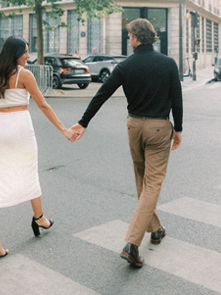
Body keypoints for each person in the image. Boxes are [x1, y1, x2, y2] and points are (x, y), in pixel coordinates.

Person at [70, 19, 183, 268]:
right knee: (152, 184)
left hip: (134, 127)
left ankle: (156, 229)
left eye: (129, 35)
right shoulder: (167, 63)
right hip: (158, 127)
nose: (127, 38)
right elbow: (177, 98)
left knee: (142, 180)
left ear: (135, 37)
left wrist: (83, 122)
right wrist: (179, 128)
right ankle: (132, 243)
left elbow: (102, 94)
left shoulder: (125, 65)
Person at [0, 36, 77, 263]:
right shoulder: (24, 75)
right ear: (15, 53)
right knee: (29, 172)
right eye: (25, 51)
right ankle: (39, 218)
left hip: (0, 130)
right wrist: (64, 129)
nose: (28, 55)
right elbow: (43, 104)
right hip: (21, 129)